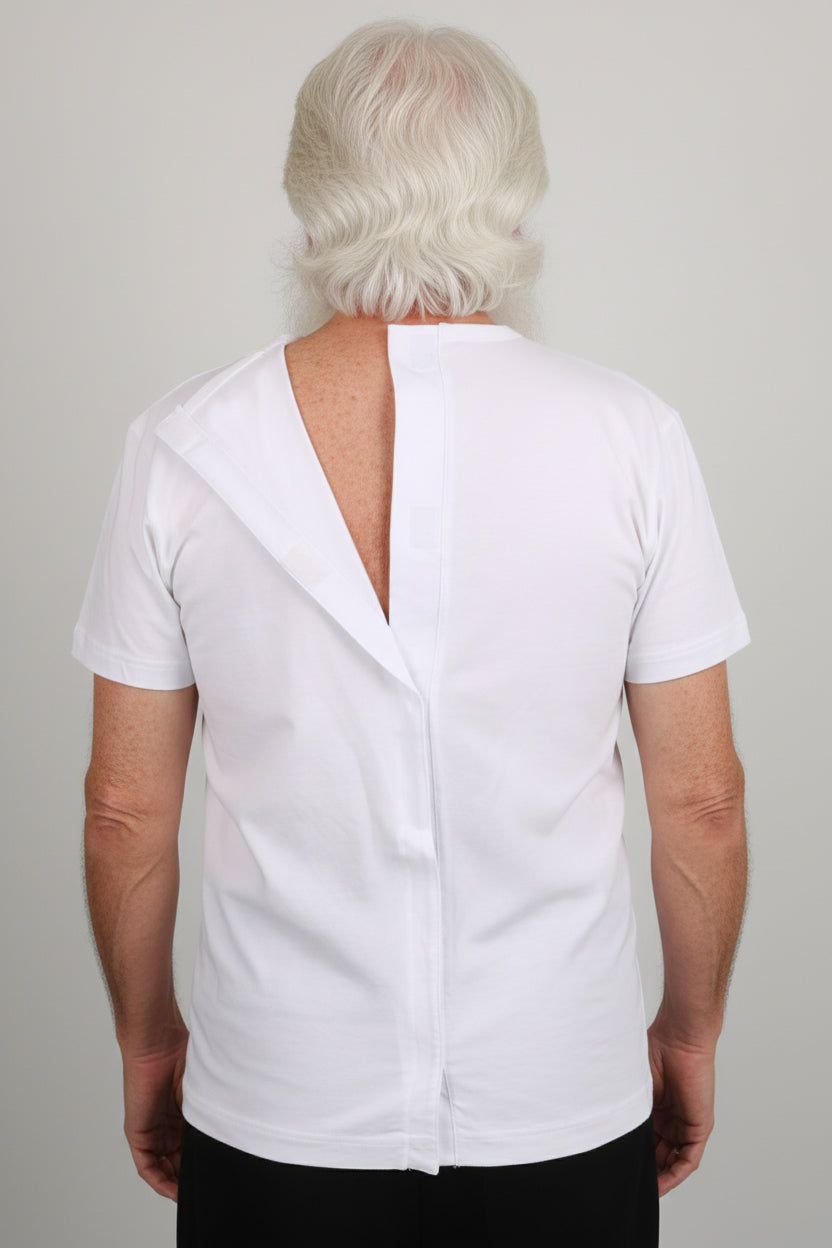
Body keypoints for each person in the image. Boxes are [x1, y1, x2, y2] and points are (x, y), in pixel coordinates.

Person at [71, 18, 750, 1248]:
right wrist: (689, 1036)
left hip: (277, 1105)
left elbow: (124, 812)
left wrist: (149, 1043)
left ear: (310, 190)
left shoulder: (180, 444)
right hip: (560, 1095)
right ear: (516, 192)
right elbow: (700, 801)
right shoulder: (631, 437)